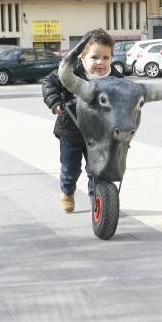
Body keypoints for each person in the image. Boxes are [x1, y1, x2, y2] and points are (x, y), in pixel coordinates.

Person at [42, 29, 123, 213]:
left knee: (98, 170)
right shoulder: (72, 71)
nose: (100, 62)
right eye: (95, 57)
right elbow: (49, 82)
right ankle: (67, 191)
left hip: (101, 134)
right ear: (83, 57)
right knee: (70, 168)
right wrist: (55, 102)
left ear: (111, 57)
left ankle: (99, 203)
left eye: (105, 57)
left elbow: (126, 96)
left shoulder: (116, 78)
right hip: (72, 130)